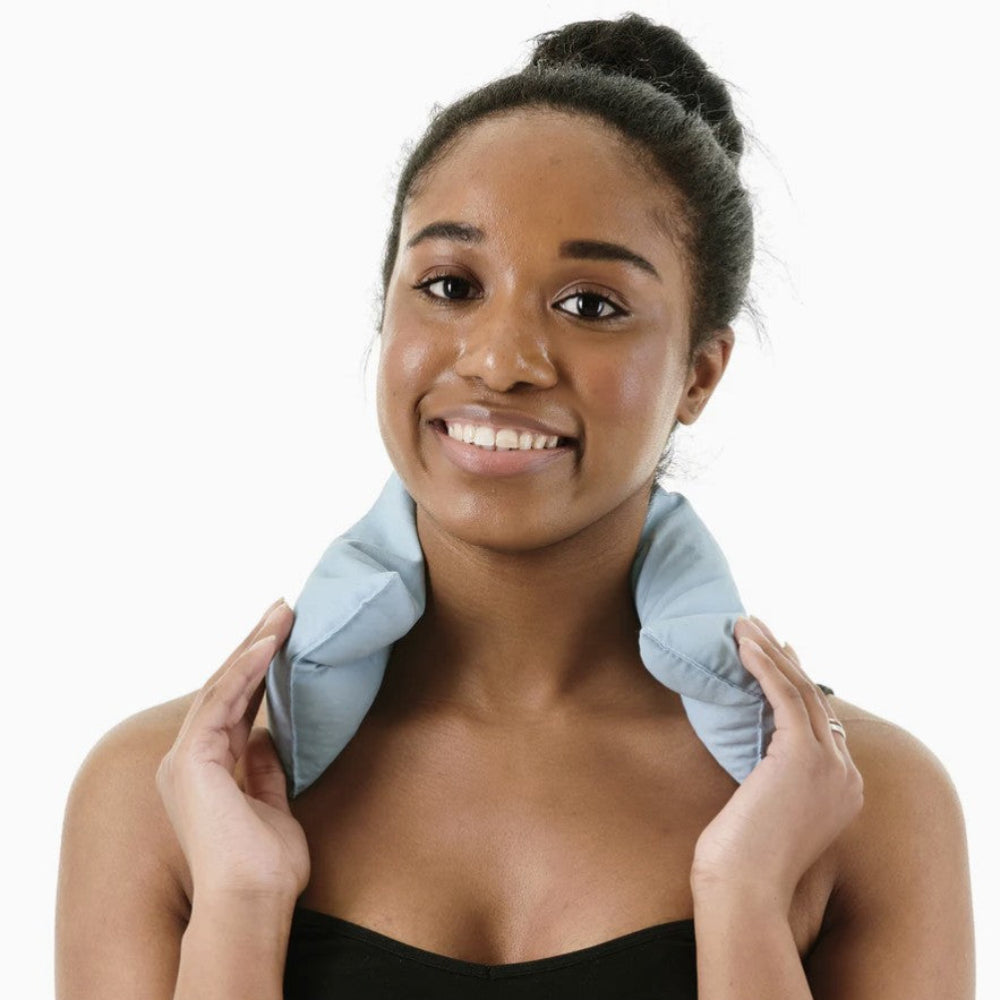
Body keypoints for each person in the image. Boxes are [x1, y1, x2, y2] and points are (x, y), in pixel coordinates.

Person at [55, 13, 974, 999]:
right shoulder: (165, 793)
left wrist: (746, 894)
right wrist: (240, 898)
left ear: (699, 373)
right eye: (449, 284)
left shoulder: (863, 805)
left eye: (590, 305)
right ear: (385, 313)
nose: (498, 361)